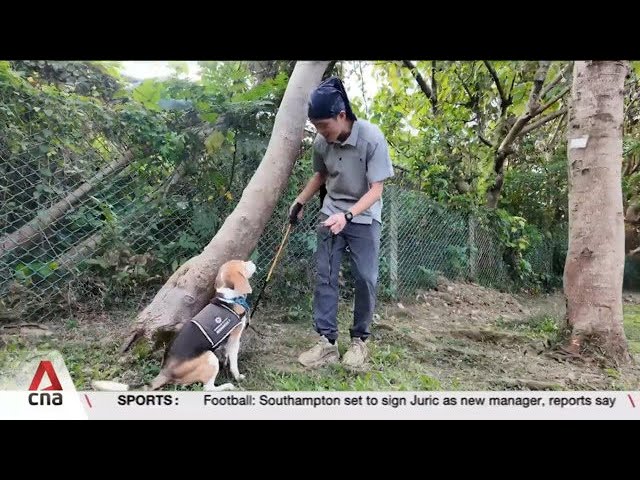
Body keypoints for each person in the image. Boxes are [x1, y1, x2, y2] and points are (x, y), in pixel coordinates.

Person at [289, 76, 394, 369]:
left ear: (342, 116)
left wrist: (348, 216)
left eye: (324, 125)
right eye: (316, 127)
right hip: (330, 213)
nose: (320, 132)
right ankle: (327, 343)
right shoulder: (323, 143)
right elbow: (320, 176)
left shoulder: (372, 138)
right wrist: (299, 202)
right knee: (325, 276)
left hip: (363, 217)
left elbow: (376, 190)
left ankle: (360, 342)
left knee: (365, 278)